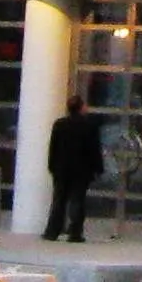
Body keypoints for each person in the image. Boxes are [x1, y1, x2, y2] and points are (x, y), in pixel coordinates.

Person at [46, 93, 105, 243]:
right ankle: (75, 232)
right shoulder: (90, 126)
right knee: (77, 200)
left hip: (62, 169)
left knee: (59, 200)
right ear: (81, 107)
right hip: (81, 170)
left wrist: (52, 166)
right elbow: (94, 149)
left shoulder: (59, 124)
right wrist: (98, 168)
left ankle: (53, 231)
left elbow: (53, 148)